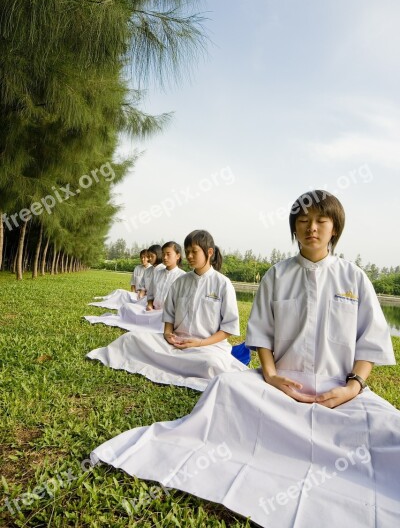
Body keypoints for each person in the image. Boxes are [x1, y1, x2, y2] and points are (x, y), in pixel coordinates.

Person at [90, 192, 400, 528]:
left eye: (321, 220)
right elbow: (262, 336)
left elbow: (370, 343)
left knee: (390, 430)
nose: (312, 227)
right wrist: (271, 376)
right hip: (281, 387)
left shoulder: (355, 279)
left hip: (338, 393)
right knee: (226, 386)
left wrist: (353, 388)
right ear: (294, 228)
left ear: (335, 228)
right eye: (303, 220)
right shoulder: (276, 276)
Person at [87, 230, 248, 390]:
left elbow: (228, 328)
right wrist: (167, 334)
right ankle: (172, 360)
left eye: (194, 251)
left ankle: (177, 362)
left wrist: (199, 343)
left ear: (210, 252)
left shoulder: (223, 284)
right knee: (130, 339)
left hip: (207, 347)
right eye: (187, 252)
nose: (190, 256)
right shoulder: (181, 282)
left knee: (212, 365)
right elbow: (169, 315)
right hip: (174, 343)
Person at [84, 242, 185, 332]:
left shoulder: (182, 276)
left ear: (177, 256)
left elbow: (182, 304)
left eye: (168, 254)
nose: (165, 257)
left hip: (165, 315)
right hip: (151, 310)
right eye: (163, 254)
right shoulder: (158, 273)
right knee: (127, 307)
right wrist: (149, 304)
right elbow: (150, 294)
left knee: (161, 321)